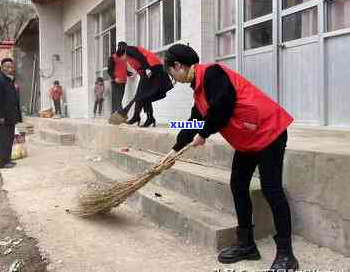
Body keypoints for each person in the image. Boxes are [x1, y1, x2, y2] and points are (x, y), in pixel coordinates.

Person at [164, 44, 299, 271]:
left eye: (171, 74)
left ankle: (287, 254)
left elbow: (222, 107)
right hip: (248, 139)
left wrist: (204, 133)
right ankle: (246, 244)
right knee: (238, 185)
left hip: (269, 131)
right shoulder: (199, 91)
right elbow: (193, 121)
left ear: (177, 65)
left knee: (271, 190)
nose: (174, 78)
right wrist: (174, 150)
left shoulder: (213, 73)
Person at [115, 41, 173, 127]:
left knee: (143, 95)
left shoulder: (129, 50)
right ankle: (143, 117)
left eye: (121, 58)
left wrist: (147, 68)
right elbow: (139, 66)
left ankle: (141, 117)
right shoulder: (128, 57)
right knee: (142, 95)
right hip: (147, 71)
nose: (122, 60)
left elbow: (141, 57)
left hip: (153, 68)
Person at [0, 58, 22, 169]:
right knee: (3, 140)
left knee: (9, 139)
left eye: (11, 67)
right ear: (2, 68)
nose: (10, 69)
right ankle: (2, 163)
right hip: (2, 118)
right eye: (7, 67)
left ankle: (7, 160)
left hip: (10, 116)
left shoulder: (10, 80)